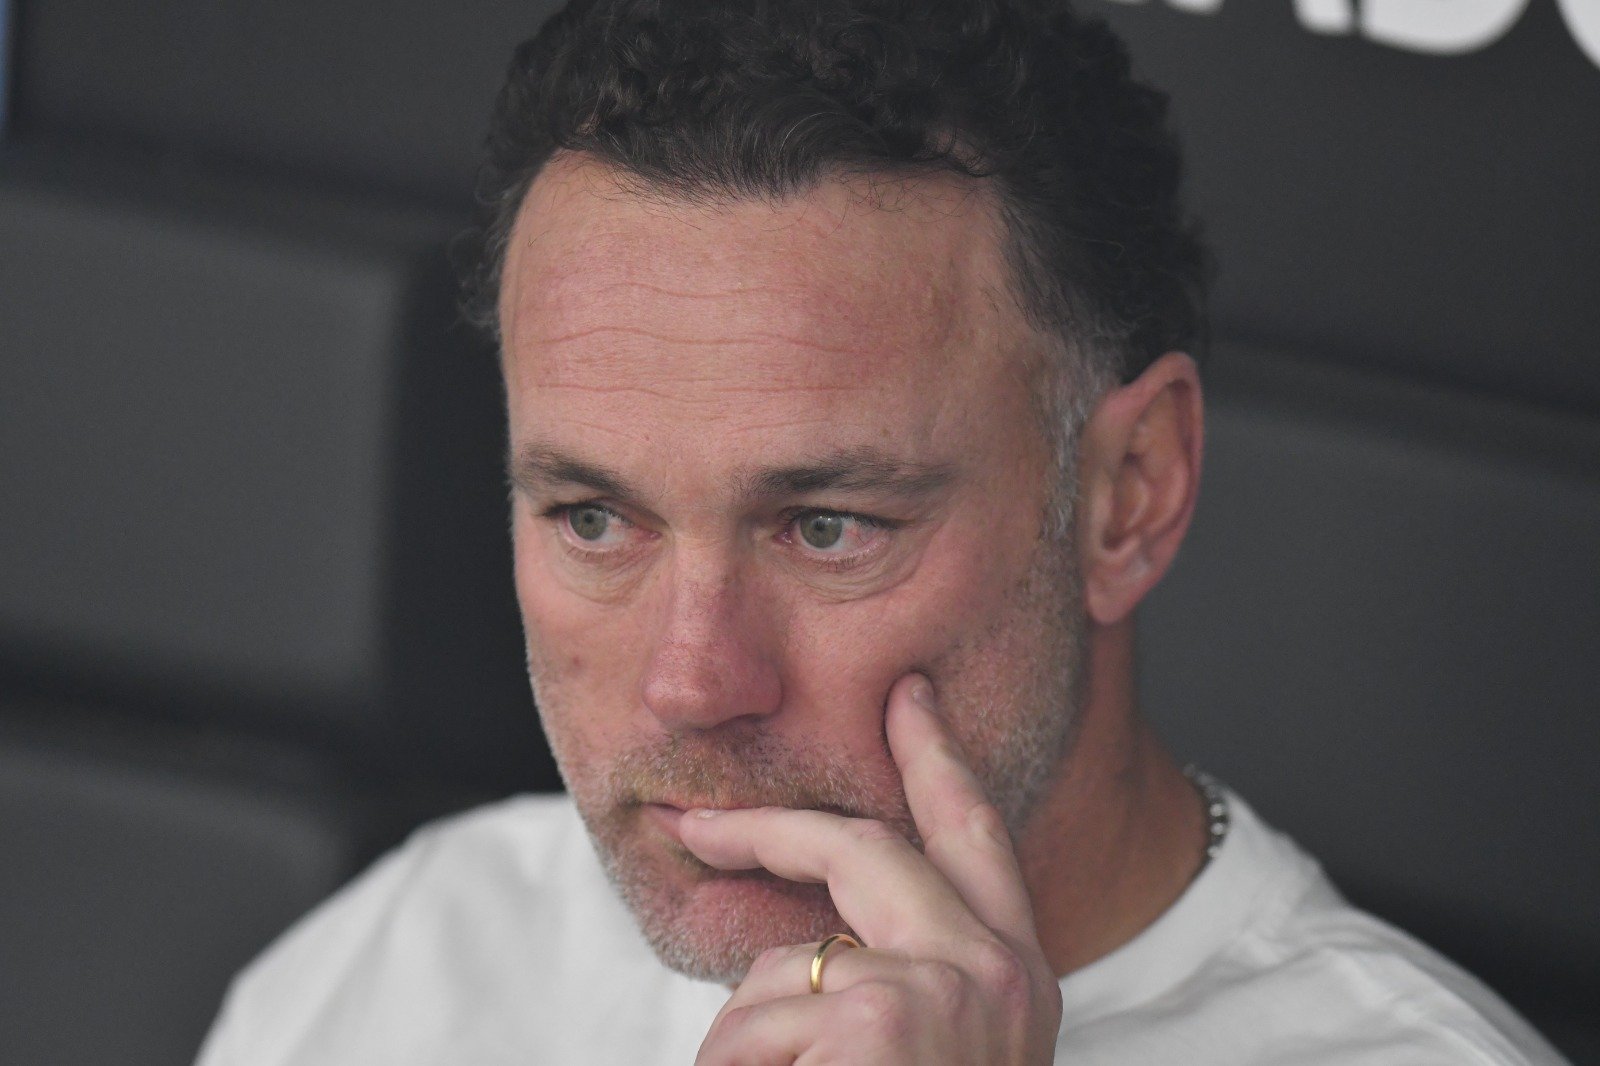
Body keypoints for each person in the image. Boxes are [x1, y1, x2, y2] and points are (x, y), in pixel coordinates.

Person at [196, 0, 1568, 1062]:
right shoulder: (401, 966)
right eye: (596, 517)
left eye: (828, 527)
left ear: (1128, 492)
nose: (692, 680)